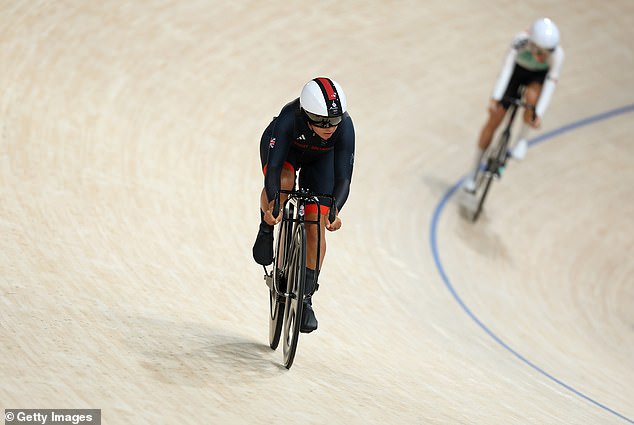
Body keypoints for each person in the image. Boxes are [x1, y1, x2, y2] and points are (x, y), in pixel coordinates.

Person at [252, 77, 355, 333]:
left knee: (316, 223)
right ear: (307, 115)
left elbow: (343, 179)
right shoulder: (290, 118)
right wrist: (273, 207)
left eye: (333, 121)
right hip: (286, 151)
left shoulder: (345, 127)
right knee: (284, 183)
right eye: (321, 122)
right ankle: (266, 229)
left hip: (321, 161)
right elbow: (273, 170)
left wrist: (334, 210)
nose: (329, 127)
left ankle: (306, 297)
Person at [463, 17, 565, 192]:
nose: (543, 56)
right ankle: (473, 172)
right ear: (532, 43)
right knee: (494, 119)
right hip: (516, 72)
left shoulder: (557, 55)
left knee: (532, 98)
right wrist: (495, 97)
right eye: (540, 51)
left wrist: (537, 114)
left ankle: (521, 140)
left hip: (537, 78)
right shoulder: (520, 41)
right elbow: (507, 68)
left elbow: (550, 83)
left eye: (547, 52)